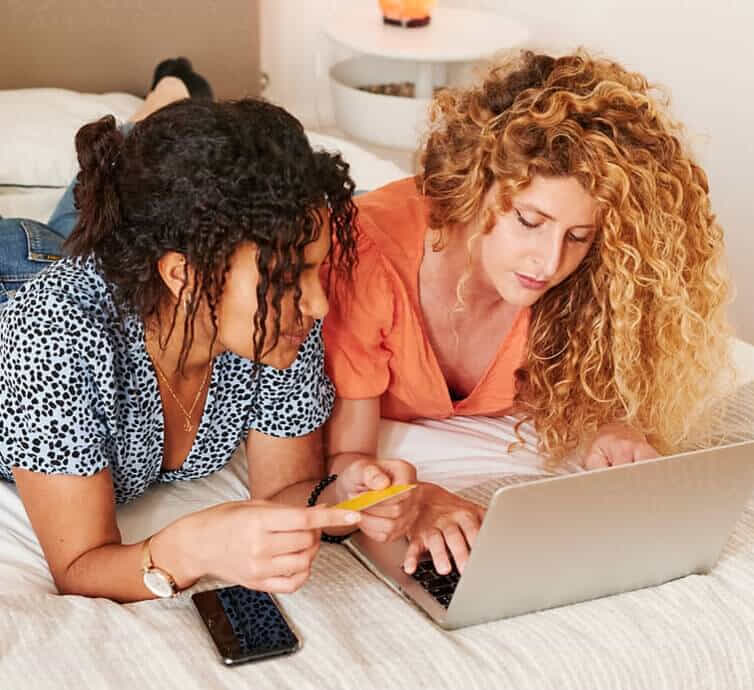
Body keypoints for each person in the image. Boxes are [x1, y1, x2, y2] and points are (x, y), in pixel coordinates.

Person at [0, 67, 404, 602]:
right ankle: (158, 108)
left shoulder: (276, 324)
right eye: (289, 277)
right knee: (64, 237)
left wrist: (343, 496)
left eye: (315, 270)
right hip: (14, 271)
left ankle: (161, 106)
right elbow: (80, 566)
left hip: (129, 271)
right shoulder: (50, 336)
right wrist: (191, 549)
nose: (319, 303)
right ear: (187, 276)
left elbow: (284, 492)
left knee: (113, 216)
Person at [322, 50, 732, 576]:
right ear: (476, 186)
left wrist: (615, 428)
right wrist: (409, 500)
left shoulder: (581, 283)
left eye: (577, 236)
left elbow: (595, 389)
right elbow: (346, 465)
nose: (549, 262)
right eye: (530, 221)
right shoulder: (364, 261)